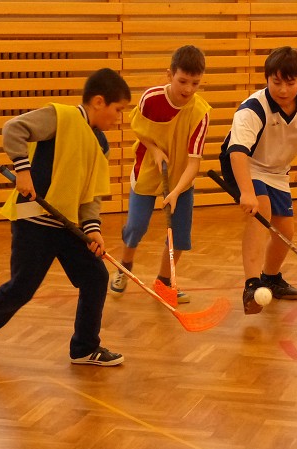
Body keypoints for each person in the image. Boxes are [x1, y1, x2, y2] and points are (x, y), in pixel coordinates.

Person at [0, 68, 131, 366]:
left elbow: (92, 193)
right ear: (100, 101)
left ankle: (84, 347)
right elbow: (14, 128)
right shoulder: (60, 117)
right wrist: (23, 170)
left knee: (95, 277)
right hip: (34, 223)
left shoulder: (100, 143)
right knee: (22, 288)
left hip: (68, 226)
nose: (119, 118)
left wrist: (93, 229)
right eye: (118, 110)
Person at [219, 46, 297, 314]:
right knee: (262, 212)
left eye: (290, 83)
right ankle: (251, 285)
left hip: (277, 170)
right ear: (267, 79)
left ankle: (271, 278)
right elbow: (237, 152)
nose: (282, 90)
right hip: (245, 164)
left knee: (285, 231)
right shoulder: (253, 109)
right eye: (276, 82)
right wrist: (246, 192)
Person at [108, 45, 211, 304]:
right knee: (136, 226)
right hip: (147, 169)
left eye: (195, 83)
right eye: (182, 81)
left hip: (181, 180)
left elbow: (194, 163)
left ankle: (164, 282)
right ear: (170, 75)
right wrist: (153, 149)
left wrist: (176, 191)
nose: (188, 89)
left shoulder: (201, 113)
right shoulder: (151, 99)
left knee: (179, 235)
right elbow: (139, 129)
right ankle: (124, 266)